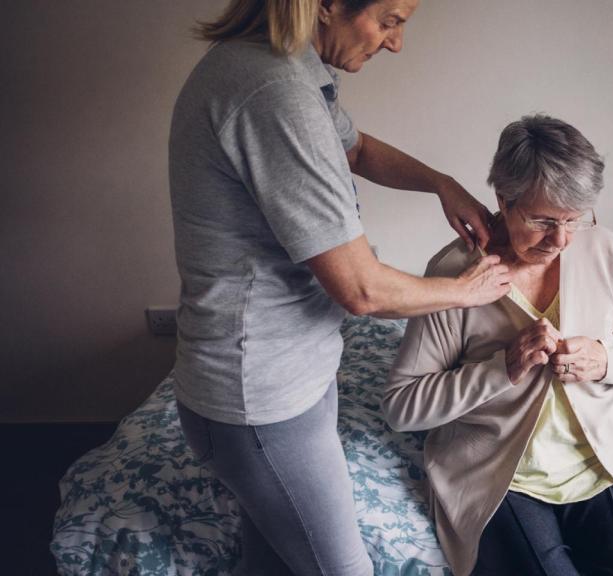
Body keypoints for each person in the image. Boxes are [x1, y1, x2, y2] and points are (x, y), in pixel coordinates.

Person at [168, 1, 511, 574]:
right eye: (389, 20)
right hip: (259, 397)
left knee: (273, 561)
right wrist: (466, 290)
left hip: (284, 378)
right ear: (326, 6)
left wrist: (440, 183)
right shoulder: (273, 91)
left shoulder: (290, 69)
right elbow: (361, 290)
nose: (396, 43)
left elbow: (354, 148)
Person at [381, 114, 613, 576]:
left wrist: (606, 360)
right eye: (542, 220)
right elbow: (402, 406)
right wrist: (502, 367)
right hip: (499, 475)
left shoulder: (606, 251)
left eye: (573, 220)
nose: (560, 240)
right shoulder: (455, 274)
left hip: (604, 463)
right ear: (503, 200)